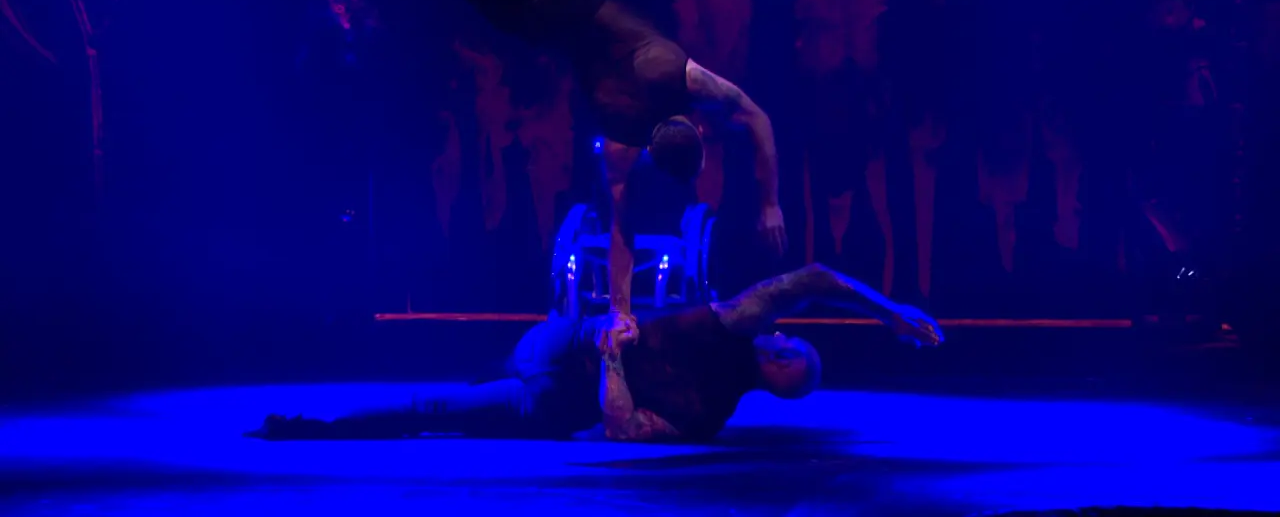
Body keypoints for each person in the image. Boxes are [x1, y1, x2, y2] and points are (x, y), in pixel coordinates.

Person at [319, 0, 786, 343]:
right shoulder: (623, 141)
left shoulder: (678, 75)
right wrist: (621, 310)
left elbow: (757, 116)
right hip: (540, 30)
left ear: (695, 124)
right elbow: (621, 231)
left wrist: (771, 203)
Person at [246, 263, 943, 443]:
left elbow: (621, 425)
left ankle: (305, 427)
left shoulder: (711, 398)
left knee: (441, 408)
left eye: (789, 342)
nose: (782, 332)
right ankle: (305, 426)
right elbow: (813, 279)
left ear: (782, 366)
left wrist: (612, 359)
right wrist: (890, 310)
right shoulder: (725, 354)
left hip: (557, 390)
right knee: (447, 403)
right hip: (560, 347)